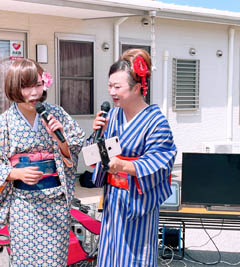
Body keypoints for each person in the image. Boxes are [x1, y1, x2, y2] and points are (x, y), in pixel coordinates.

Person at [0, 58, 85, 266]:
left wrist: (60, 140)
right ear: (14, 88)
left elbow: (74, 145)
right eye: (26, 87)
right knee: (24, 261)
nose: (34, 93)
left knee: (55, 260)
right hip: (24, 206)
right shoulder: (3, 124)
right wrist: (15, 174)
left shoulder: (57, 114)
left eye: (38, 85)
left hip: (55, 203)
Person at [91, 49, 177, 266]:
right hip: (113, 200)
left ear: (138, 87)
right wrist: (95, 136)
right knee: (109, 253)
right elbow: (94, 157)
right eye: (110, 86)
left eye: (117, 87)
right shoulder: (111, 116)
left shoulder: (156, 122)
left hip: (138, 202)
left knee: (135, 256)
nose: (111, 91)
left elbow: (161, 162)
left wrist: (124, 165)